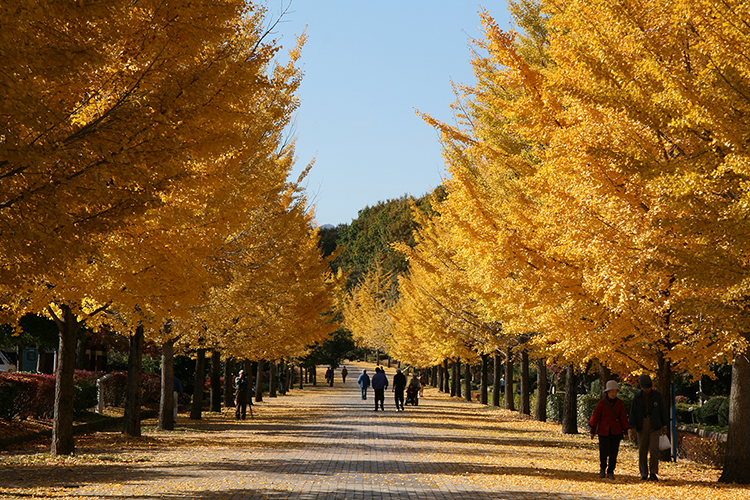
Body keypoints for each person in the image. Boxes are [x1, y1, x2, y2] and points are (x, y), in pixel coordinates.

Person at [629, 374, 668, 481]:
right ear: (641, 386)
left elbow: (662, 410)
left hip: (654, 424)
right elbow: (633, 412)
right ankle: (643, 473)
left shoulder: (657, 396)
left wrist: (664, 424)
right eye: (645, 387)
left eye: (648, 387)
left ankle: (653, 472)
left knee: (654, 448)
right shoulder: (637, 397)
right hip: (642, 424)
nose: (647, 389)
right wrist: (632, 426)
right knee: (642, 449)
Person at [589, 380, 630, 479]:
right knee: (603, 451)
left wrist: (626, 432)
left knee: (613, 452)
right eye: (612, 391)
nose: (614, 393)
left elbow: (623, 417)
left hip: (616, 430)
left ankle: (611, 471)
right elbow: (596, 416)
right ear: (607, 392)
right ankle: (602, 469)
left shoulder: (619, 403)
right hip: (604, 430)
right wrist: (592, 431)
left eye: (615, 391)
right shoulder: (602, 403)